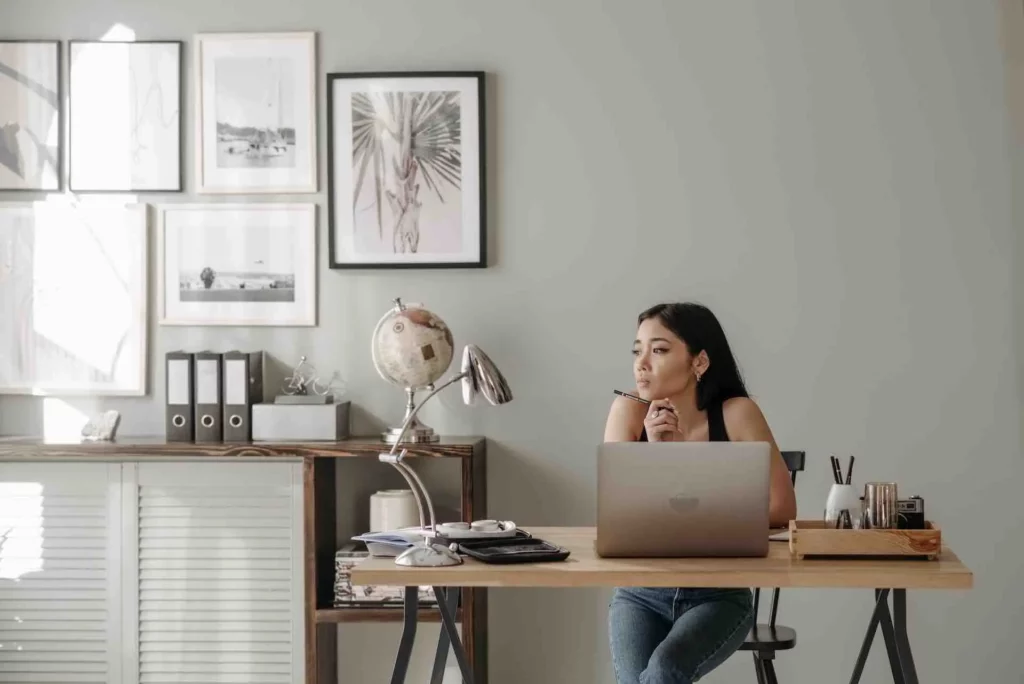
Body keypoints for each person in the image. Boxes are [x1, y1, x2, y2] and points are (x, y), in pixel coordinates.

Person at [604, 302, 797, 684]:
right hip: (640, 593)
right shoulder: (627, 411)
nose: (641, 363)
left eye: (658, 350)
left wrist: (682, 467)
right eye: (637, 350)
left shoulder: (737, 414)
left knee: (663, 672)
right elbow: (618, 515)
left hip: (719, 595)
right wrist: (657, 456)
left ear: (700, 362)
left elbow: (782, 507)